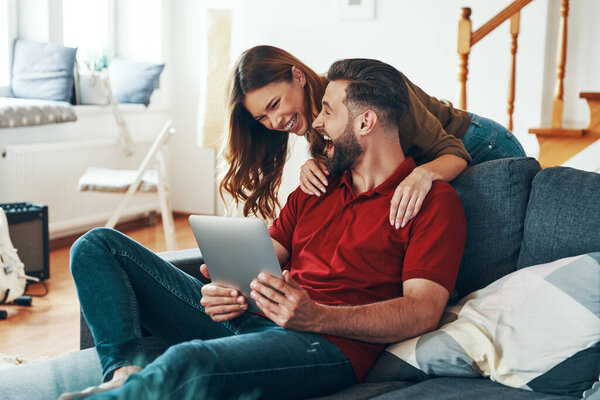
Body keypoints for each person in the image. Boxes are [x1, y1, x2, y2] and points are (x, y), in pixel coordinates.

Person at [58, 58, 466, 400]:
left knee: (190, 363)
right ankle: (125, 373)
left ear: (366, 123)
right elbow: (268, 256)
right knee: (97, 245)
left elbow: (422, 311)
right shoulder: (317, 186)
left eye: (328, 111)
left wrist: (317, 317)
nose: (317, 124)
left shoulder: (431, 202)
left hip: (324, 343)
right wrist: (231, 290)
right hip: (255, 318)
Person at [221, 45, 525, 228]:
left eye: (274, 105)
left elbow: (451, 150)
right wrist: (317, 166)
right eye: (262, 118)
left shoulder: (368, 90)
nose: (275, 121)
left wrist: (423, 174)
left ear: (298, 76)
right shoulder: (317, 124)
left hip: (478, 145)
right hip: (434, 160)